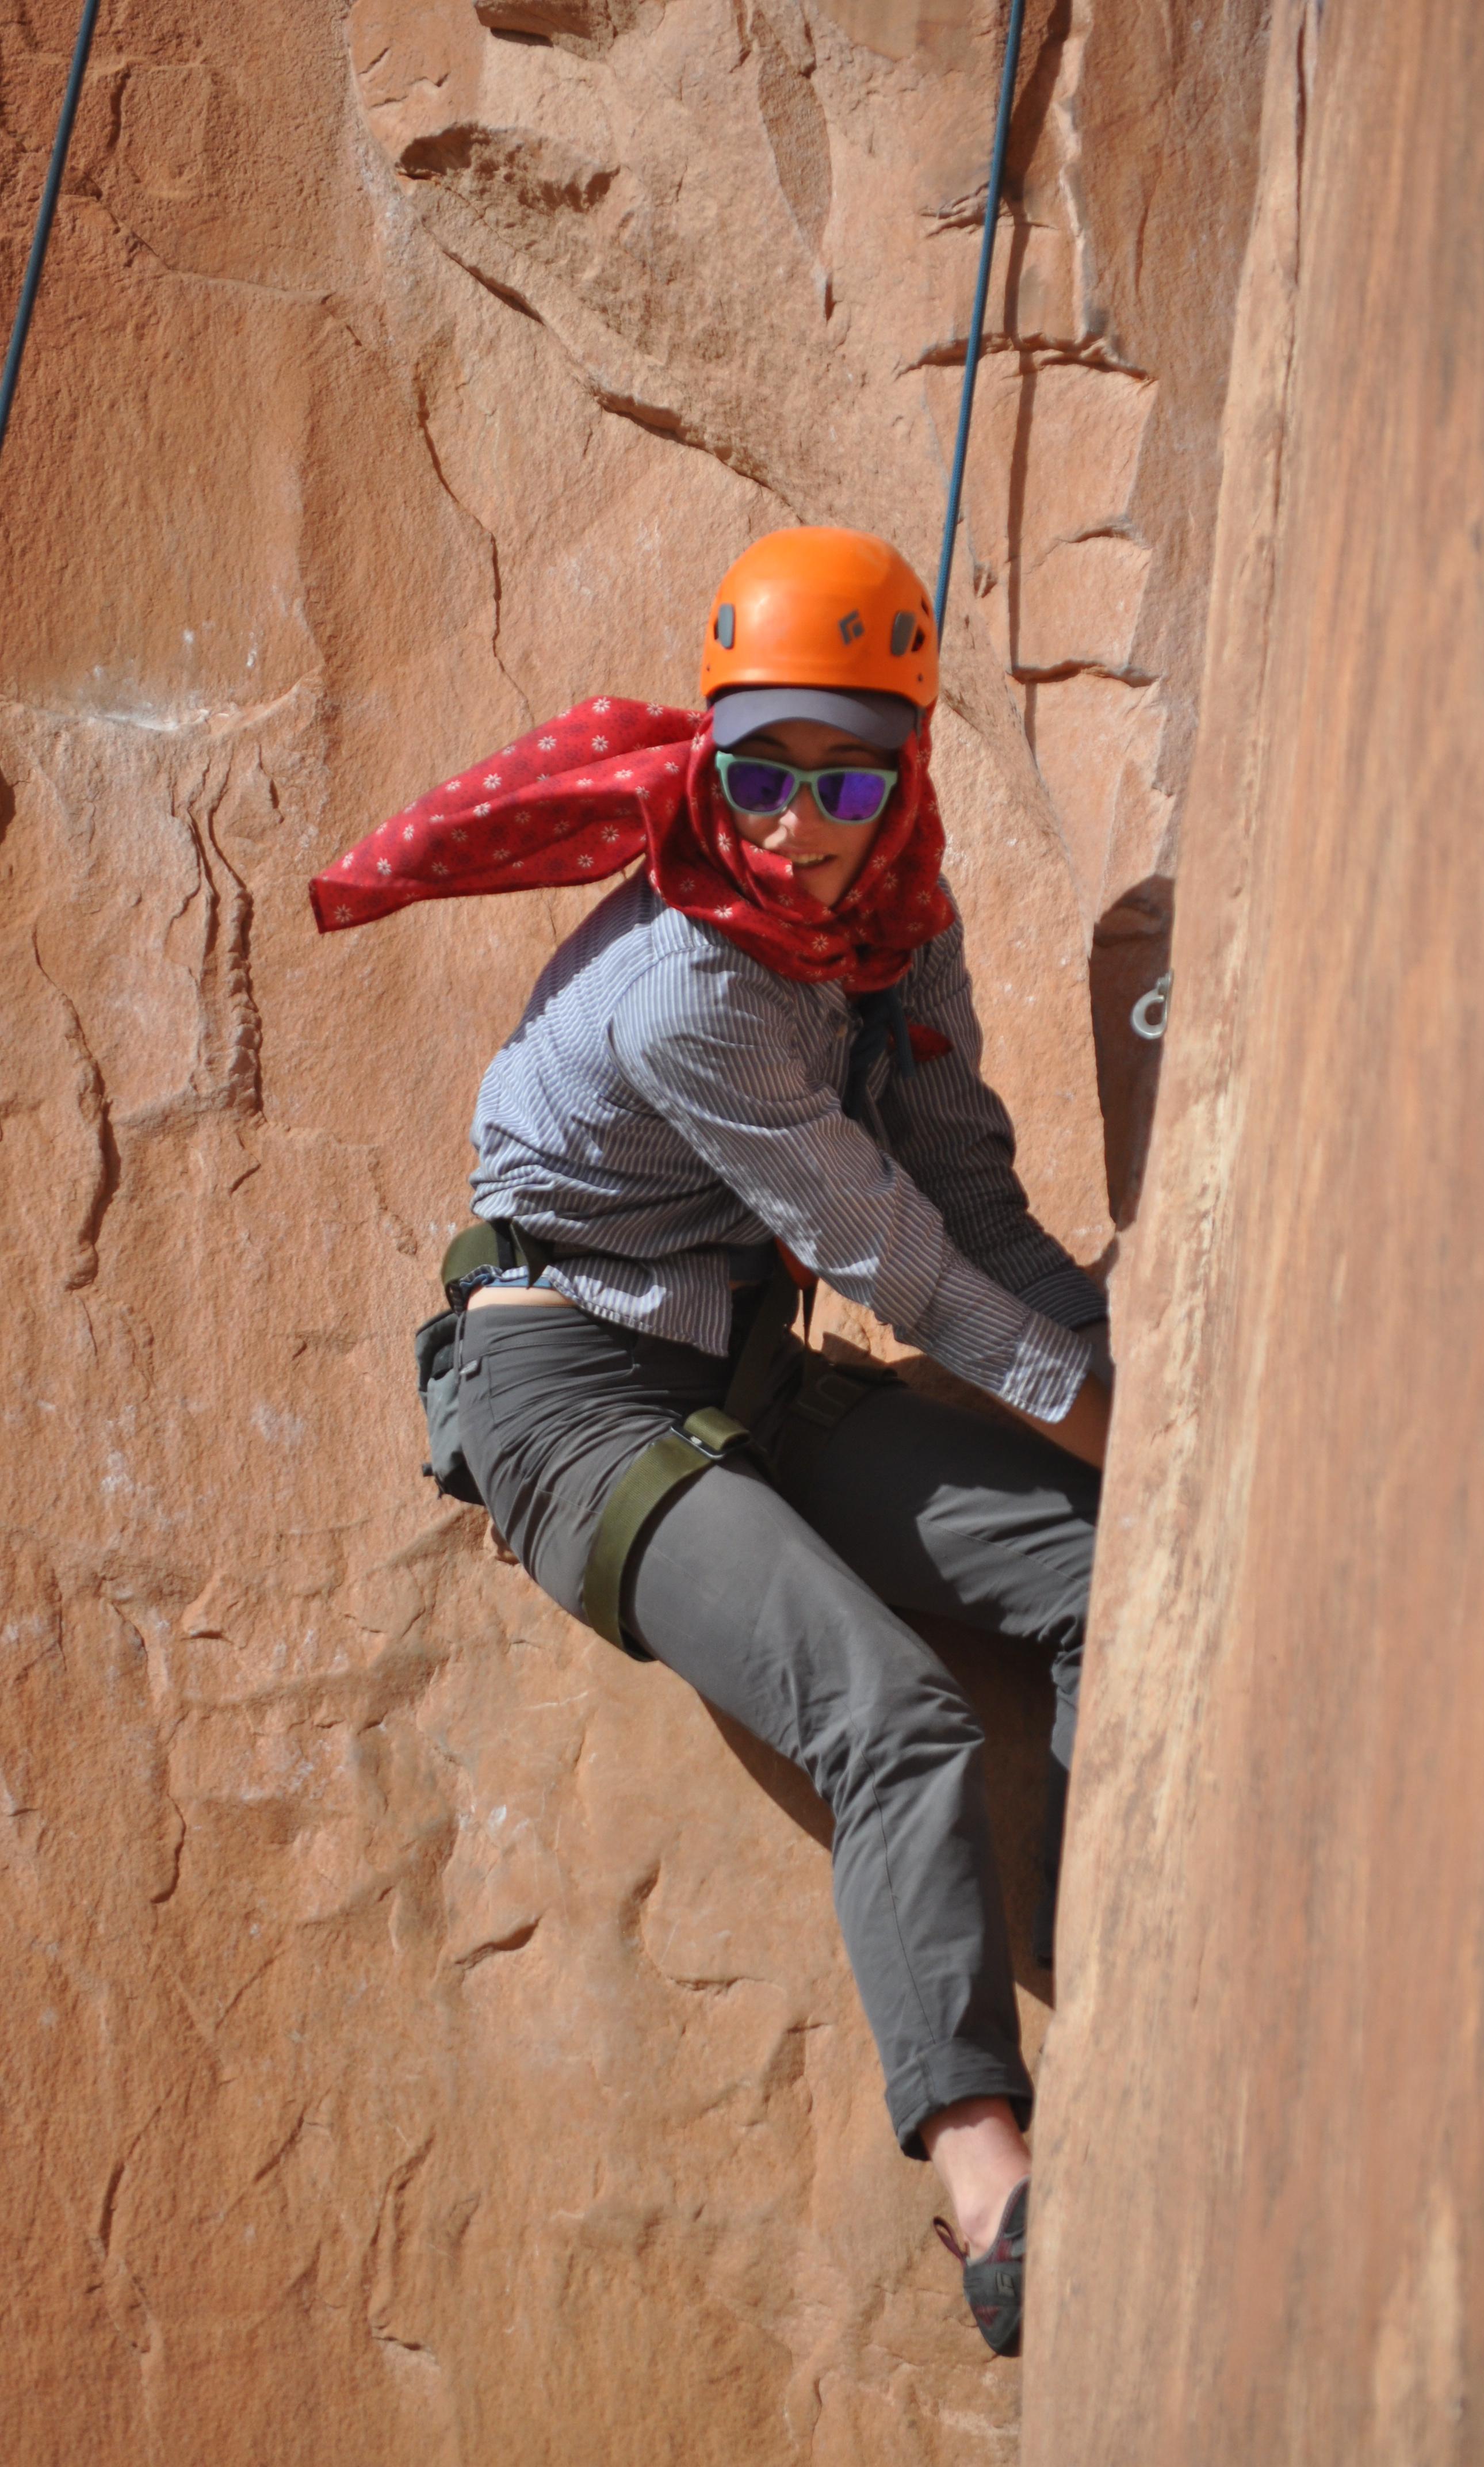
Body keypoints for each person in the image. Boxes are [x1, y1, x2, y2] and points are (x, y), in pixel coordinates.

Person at [309, 527, 1111, 2355]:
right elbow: (897, 1264)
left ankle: (1099, 1931)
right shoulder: (700, 985)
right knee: (888, 1712)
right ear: (713, 751)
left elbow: (968, 1190)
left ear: (905, 767)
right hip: (570, 1405)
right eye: (763, 770)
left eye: (850, 773)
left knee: (1092, 1558)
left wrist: (1109, 1353)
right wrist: (1111, 1408)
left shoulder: (896, 913)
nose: (803, 819)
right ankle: (990, 2183)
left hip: (739, 1375)